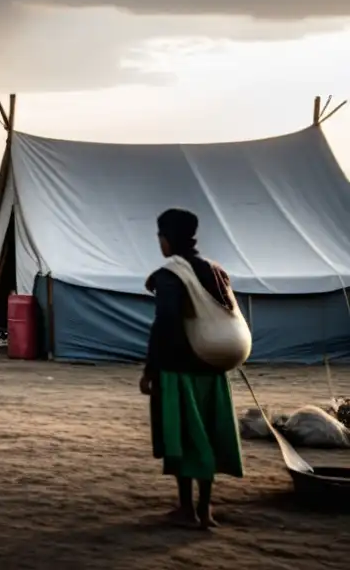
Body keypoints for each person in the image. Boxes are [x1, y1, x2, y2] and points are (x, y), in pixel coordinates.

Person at [141, 208, 243, 530]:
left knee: (184, 437)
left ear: (167, 239)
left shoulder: (171, 275)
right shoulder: (215, 271)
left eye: (161, 238)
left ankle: (189, 508)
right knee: (207, 436)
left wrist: (151, 369)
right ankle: (205, 508)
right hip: (213, 372)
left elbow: (165, 323)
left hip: (181, 371)